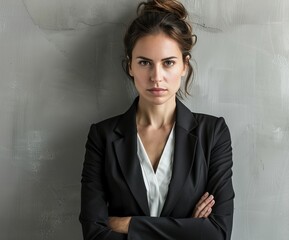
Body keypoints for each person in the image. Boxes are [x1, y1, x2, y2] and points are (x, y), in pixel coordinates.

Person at [79, 0, 234, 239]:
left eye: (168, 63)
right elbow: (94, 234)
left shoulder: (212, 134)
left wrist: (129, 224)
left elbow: (217, 233)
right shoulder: (103, 136)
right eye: (144, 63)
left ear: (184, 65)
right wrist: (186, 229)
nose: (156, 77)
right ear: (130, 65)